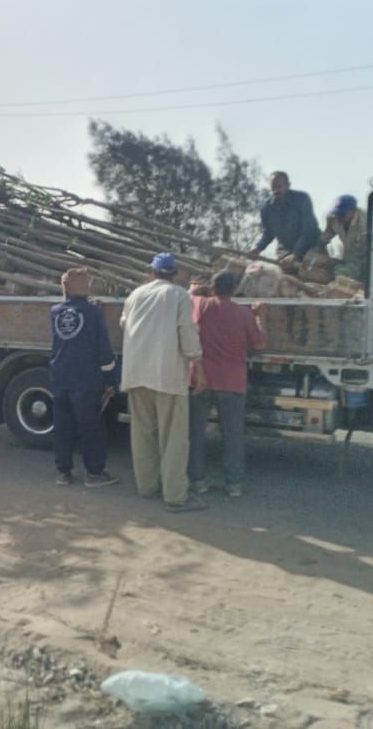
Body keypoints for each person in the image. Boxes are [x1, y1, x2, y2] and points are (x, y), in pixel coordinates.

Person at [119, 252, 207, 512]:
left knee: (143, 434)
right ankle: (175, 496)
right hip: (166, 374)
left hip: (136, 373)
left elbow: (126, 325)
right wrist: (198, 367)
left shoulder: (135, 295)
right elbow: (187, 332)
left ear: (152, 271)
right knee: (173, 439)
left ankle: (147, 487)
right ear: (175, 273)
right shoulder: (179, 295)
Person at [187, 270, 267, 498]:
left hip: (200, 380)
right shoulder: (243, 314)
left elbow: (189, 295)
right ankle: (233, 484)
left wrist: (194, 289)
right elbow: (260, 344)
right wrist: (261, 315)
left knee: (195, 433)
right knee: (232, 435)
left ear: (212, 288)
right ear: (234, 290)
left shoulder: (200, 305)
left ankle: (198, 481)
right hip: (233, 383)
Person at [49, 267, 119, 488]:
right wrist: (111, 378)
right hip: (85, 378)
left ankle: (63, 472)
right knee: (90, 426)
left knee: (63, 425)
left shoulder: (55, 312)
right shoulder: (93, 312)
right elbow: (103, 348)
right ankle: (94, 473)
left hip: (59, 376)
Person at [249, 171, 321, 270]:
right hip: (285, 253)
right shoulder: (266, 208)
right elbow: (268, 233)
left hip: (312, 251)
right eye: (273, 188)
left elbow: (308, 231)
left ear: (288, 185)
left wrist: (295, 254)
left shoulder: (302, 199)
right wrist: (258, 248)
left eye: (279, 187)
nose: (276, 191)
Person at [319, 194, 367, 280]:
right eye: (338, 213)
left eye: (343, 213)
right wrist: (318, 246)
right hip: (347, 258)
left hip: (363, 262)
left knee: (341, 274)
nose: (339, 216)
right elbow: (327, 234)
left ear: (353, 211)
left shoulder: (366, 222)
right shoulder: (333, 218)